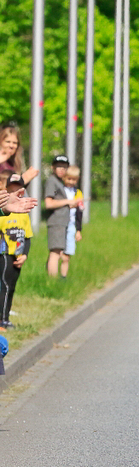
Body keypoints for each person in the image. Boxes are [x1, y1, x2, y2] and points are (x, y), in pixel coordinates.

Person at [0, 171, 33, 331]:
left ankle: (6, 317)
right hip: (4, 254)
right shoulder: (4, 212)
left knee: (11, 287)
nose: (15, 192)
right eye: (11, 189)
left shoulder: (23, 213)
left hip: (17, 256)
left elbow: (27, 237)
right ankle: (2, 320)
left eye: (18, 189)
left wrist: (24, 254)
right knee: (5, 286)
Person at [44, 155, 81, 278]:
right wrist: (68, 202)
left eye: (64, 167)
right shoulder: (52, 182)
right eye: (58, 166)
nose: (61, 169)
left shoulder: (58, 182)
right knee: (55, 253)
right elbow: (49, 203)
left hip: (62, 222)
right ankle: (52, 281)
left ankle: (52, 278)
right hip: (56, 222)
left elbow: (56, 199)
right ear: (53, 167)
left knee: (59, 252)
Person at [58, 165, 84, 279]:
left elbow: (79, 213)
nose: (71, 181)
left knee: (67, 254)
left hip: (72, 224)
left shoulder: (78, 193)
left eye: (74, 179)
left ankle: (63, 276)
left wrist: (78, 230)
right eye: (69, 179)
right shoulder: (60, 190)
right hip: (60, 223)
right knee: (58, 252)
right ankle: (52, 273)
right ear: (64, 177)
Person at [0, 122, 40, 186]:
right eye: (8, 142)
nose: (11, 146)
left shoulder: (15, 163)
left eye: (14, 143)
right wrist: (23, 180)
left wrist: (24, 180)